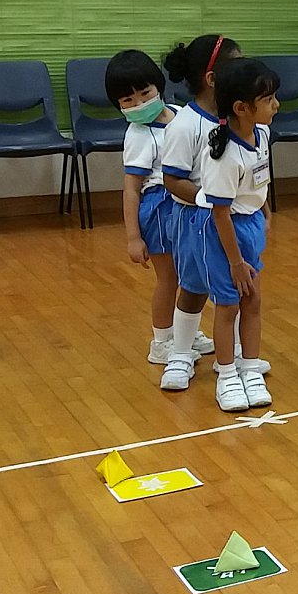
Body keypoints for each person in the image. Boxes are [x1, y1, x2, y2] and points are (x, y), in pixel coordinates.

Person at [196, 58, 280, 410]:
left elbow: (259, 179)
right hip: (223, 233)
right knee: (229, 305)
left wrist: (264, 211)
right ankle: (228, 375)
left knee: (253, 300)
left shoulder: (262, 134)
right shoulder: (224, 156)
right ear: (241, 108)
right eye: (268, 99)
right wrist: (235, 262)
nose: (276, 105)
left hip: (249, 226)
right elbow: (219, 212)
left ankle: (250, 368)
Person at [157, 34, 240, 392]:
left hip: (232, 221)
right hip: (195, 220)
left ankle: (234, 355)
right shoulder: (185, 125)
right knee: (192, 288)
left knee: (235, 286)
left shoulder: (239, 118)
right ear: (212, 78)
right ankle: (180, 354)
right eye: (236, 65)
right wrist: (209, 199)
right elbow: (172, 180)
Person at [106, 49, 180, 365]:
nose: (139, 104)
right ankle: (162, 341)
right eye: (128, 100)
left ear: (158, 86)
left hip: (187, 206)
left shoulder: (180, 115)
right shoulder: (138, 135)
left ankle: (184, 332)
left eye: (145, 94)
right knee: (169, 279)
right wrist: (133, 238)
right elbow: (132, 190)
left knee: (190, 276)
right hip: (160, 210)